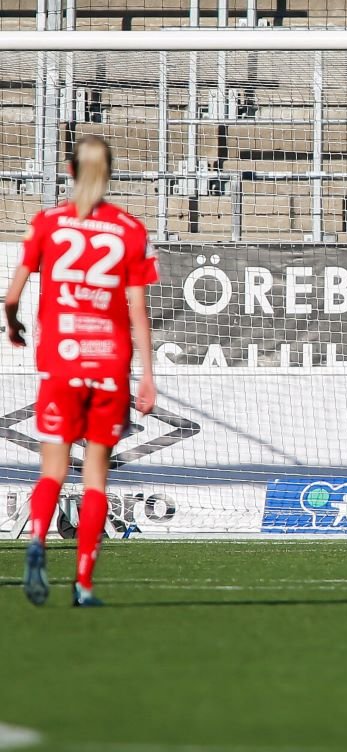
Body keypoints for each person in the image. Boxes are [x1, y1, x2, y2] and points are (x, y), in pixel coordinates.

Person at [4, 135, 159, 608]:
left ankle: (37, 545)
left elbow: (12, 296)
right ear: (109, 174)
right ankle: (84, 583)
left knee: (51, 468)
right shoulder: (130, 229)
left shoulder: (48, 222)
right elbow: (138, 310)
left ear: (69, 171)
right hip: (109, 364)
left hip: (62, 359)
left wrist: (13, 323)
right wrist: (147, 375)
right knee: (95, 476)